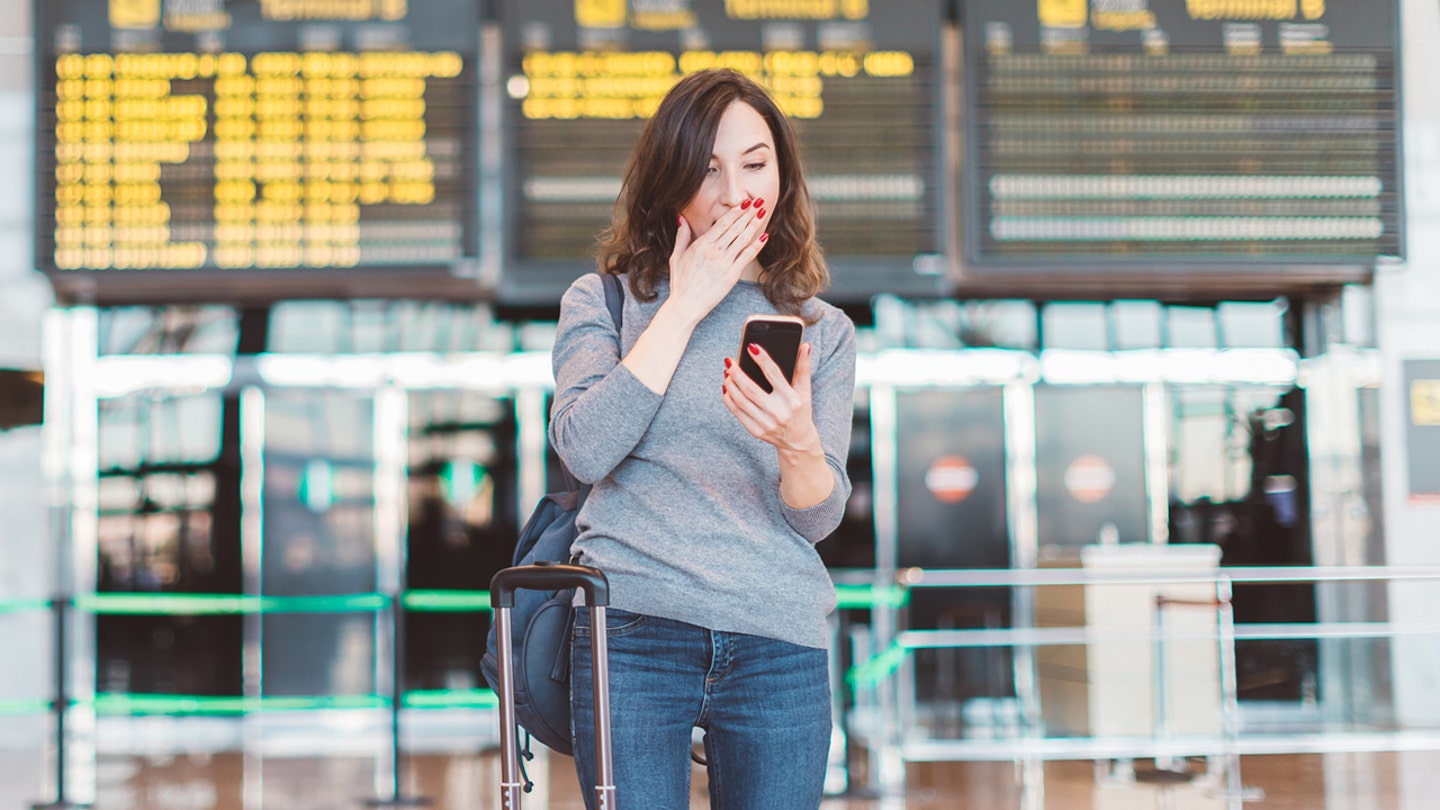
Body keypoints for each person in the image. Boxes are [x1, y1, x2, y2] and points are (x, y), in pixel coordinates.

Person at [548, 68, 857, 809]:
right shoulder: (605, 302)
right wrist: (684, 306)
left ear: (782, 177)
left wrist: (796, 441)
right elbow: (584, 448)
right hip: (633, 628)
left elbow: (816, 517)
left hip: (778, 637)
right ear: (671, 183)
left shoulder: (825, 330)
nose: (734, 192)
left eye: (756, 164)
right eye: (707, 170)